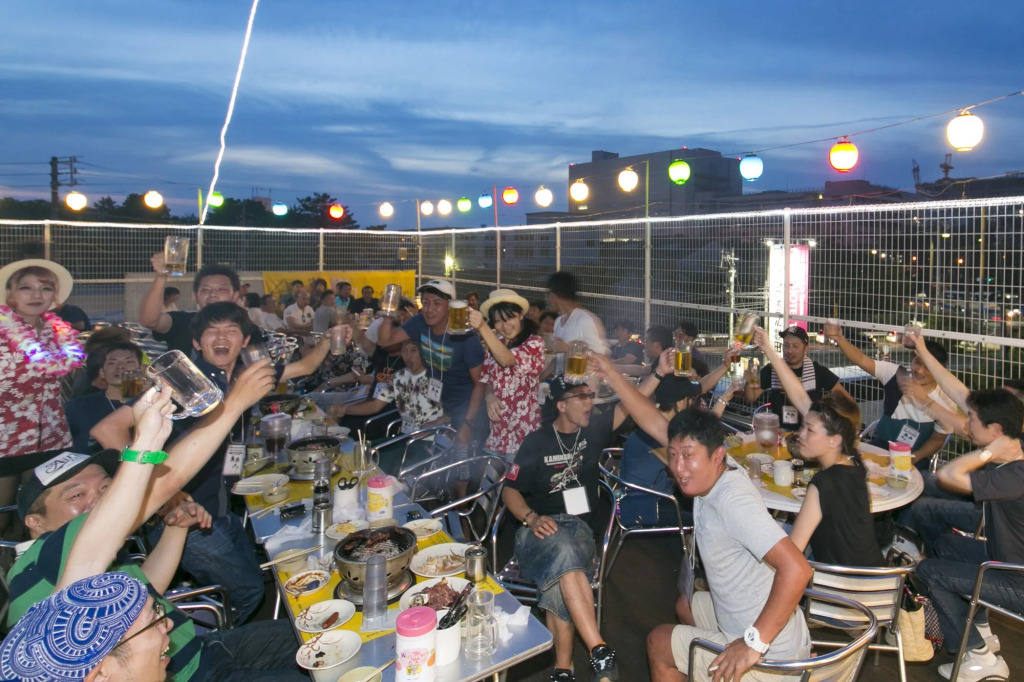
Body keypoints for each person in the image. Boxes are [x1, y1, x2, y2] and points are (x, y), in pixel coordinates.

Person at [4, 378, 308, 681]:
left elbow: (148, 587)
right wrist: (233, 404)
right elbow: (163, 485)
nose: (98, 502)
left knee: (318, 635)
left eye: (106, 488)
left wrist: (177, 528)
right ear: (34, 522)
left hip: (201, 651)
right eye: (76, 495)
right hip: (189, 676)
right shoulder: (48, 555)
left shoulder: (66, 580)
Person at [93, 303, 344, 623]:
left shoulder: (244, 374)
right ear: (196, 343)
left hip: (222, 507)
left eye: (231, 330)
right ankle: (214, 640)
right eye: (212, 331)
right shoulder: (185, 382)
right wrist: (155, 487)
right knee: (249, 591)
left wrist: (330, 338)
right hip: (185, 517)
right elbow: (107, 429)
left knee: (258, 571)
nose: (222, 337)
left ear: (244, 340)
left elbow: (305, 366)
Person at [588, 361, 813, 682]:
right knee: (686, 605)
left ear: (716, 455)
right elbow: (651, 419)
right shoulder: (717, 464)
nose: (679, 467)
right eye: (673, 454)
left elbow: (798, 569)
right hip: (756, 621)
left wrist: (753, 643)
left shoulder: (733, 501)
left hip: (771, 656)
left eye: (688, 455)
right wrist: (610, 373)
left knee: (658, 642)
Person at [503, 358, 671, 682]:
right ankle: (597, 650)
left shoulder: (592, 432)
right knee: (565, 558)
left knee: (563, 564)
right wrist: (531, 518)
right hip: (536, 532)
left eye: (590, 396)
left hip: (579, 532)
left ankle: (564, 669)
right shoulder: (536, 442)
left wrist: (660, 372)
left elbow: (631, 403)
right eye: (581, 397)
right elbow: (510, 491)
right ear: (561, 405)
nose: (589, 402)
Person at [914, 392, 1024, 681]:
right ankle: (981, 630)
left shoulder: (1014, 477)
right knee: (946, 545)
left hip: (1017, 581)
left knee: (929, 571)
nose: (966, 424)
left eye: (972, 419)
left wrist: (986, 453)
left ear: (996, 430)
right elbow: (962, 395)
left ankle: (979, 656)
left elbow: (948, 475)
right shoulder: (1017, 449)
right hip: (1003, 560)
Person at [753, 326, 883, 567]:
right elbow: (800, 397)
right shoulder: (854, 460)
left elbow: (791, 558)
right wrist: (768, 348)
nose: (800, 435)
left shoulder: (823, 484)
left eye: (809, 430)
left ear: (834, 439)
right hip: (876, 577)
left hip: (837, 585)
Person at [826, 321, 955, 470]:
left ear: (940, 369)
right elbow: (862, 360)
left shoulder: (946, 400)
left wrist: (914, 457)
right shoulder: (895, 374)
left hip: (915, 458)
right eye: (917, 362)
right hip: (880, 447)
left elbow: (938, 439)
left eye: (927, 366)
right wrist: (839, 339)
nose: (920, 370)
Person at [0, 259, 84, 481]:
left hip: (51, 436)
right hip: (4, 439)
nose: (36, 295)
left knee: (40, 501)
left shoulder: (58, 332)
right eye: (25, 287)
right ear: (10, 293)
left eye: (46, 288)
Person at [377, 279, 486, 448]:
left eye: (437, 303)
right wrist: (387, 317)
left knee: (463, 459)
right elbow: (385, 341)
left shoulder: (466, 337)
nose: (429, 309)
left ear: (450, 306)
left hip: (470, 410)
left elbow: (480, 384)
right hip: (446, 407)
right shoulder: (419, 322)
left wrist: (467, 424)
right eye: (425, 302)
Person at [469, 289, 546, 461]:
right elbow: (488, 379)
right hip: (497, 435)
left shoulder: (534, 343)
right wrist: (489, 396)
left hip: (523, 435)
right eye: (498, 321)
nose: (504, 326)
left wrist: (482, 327)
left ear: (521, 315)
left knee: (514, 479)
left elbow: (506, 359)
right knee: (488, 478)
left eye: (509, 318)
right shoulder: (496, 343)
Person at [744, 325, 852, 431]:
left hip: (809, 432)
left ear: (806, 350)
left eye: (795, 346)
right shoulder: (772, 369)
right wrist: (749, 381)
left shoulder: (818, 371)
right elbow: (750, 397)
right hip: (778, 431)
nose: (789, 351)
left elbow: (847, 401)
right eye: (786, 345)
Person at [139, 257, 249, 355]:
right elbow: (149, 321)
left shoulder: (246, 328)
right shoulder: (182, 322)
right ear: (195, 296)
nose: (213, 294)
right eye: (205, 289)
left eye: (221, 289)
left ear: (235, 296)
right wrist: (161, 277)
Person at [64, 341, 144, 453]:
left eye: (129, 361)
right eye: (112, 363)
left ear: (141, 369)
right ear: (102, 372)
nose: (121, 367)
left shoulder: (152, 404)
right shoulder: (77, 407)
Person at [547, 271, 608, 355]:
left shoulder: (585, 320)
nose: (548, 300)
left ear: (553, 296)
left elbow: (602, 357)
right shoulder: (558, 321)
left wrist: (567, 348)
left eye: (548, 295)